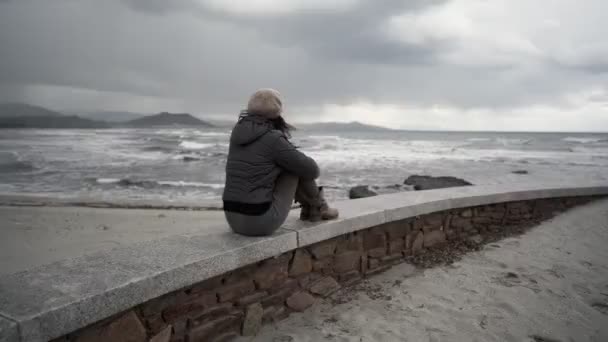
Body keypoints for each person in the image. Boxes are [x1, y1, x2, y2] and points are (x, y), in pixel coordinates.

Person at [222, 88, 339, 236]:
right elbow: (312, 170)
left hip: (233, 219)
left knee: (286, 164)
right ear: (277, 112)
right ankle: (319, 208)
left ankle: (314, 209)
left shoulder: (237, 133)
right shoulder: (273, 138)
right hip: (259, 221)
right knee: (294, 167)